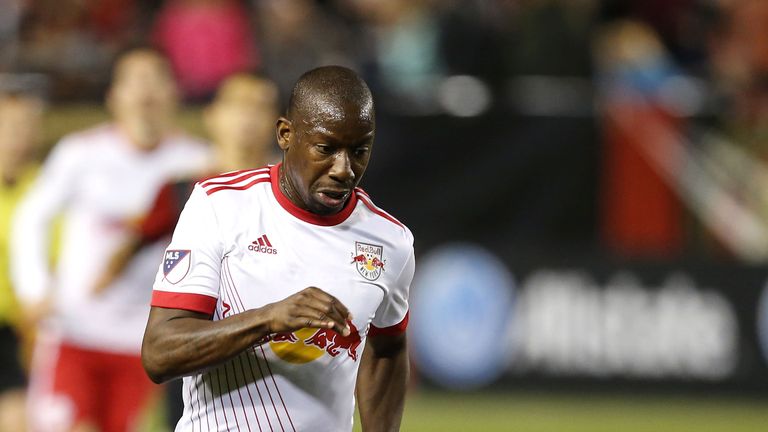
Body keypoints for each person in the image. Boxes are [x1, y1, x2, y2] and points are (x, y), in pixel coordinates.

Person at [142, 66, 414, 432]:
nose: (343, 169)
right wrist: (268, 319)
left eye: (359, 150)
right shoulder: (219, 205)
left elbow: (388, 349)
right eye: (326, 148)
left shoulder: (389, 242)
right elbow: (160, 353)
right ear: (286, 134)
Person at [11, 48, 211, 432]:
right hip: (75, 331)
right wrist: (33, 289)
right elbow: (31, 217)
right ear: (113, 95)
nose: (145, 92)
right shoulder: (81, 153)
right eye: (134, 80)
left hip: (150, 343)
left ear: (174, 92)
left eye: (155, 79)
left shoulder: (197, 164)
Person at [0, 82, 46, 432]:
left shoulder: (46, 190)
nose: (16, 136)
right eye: (8, 126)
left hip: (24, 328)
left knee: (18, 418)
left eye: (24, 127)